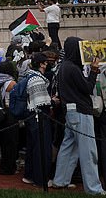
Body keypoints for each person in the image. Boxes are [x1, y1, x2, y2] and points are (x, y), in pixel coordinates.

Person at [50, 37, 105, 193]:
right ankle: (94, 188)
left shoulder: (64, 67)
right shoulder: (72, 68)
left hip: (71, 111)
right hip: (80, 112)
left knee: (69, 147)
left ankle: (60, 180)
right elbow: (87, 88)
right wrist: (94, 70)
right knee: (88, 151)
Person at [22, 52, 52, 187]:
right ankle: (40, 179)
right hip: (38, 117)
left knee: (32, 147)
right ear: (41, 64)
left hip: (32, 116)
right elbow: (41, 101)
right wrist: (54, 101)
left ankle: (29, 175)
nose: (48, 64)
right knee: (40, 148)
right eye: (46, 62)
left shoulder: (29, 76)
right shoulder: (37, 79)